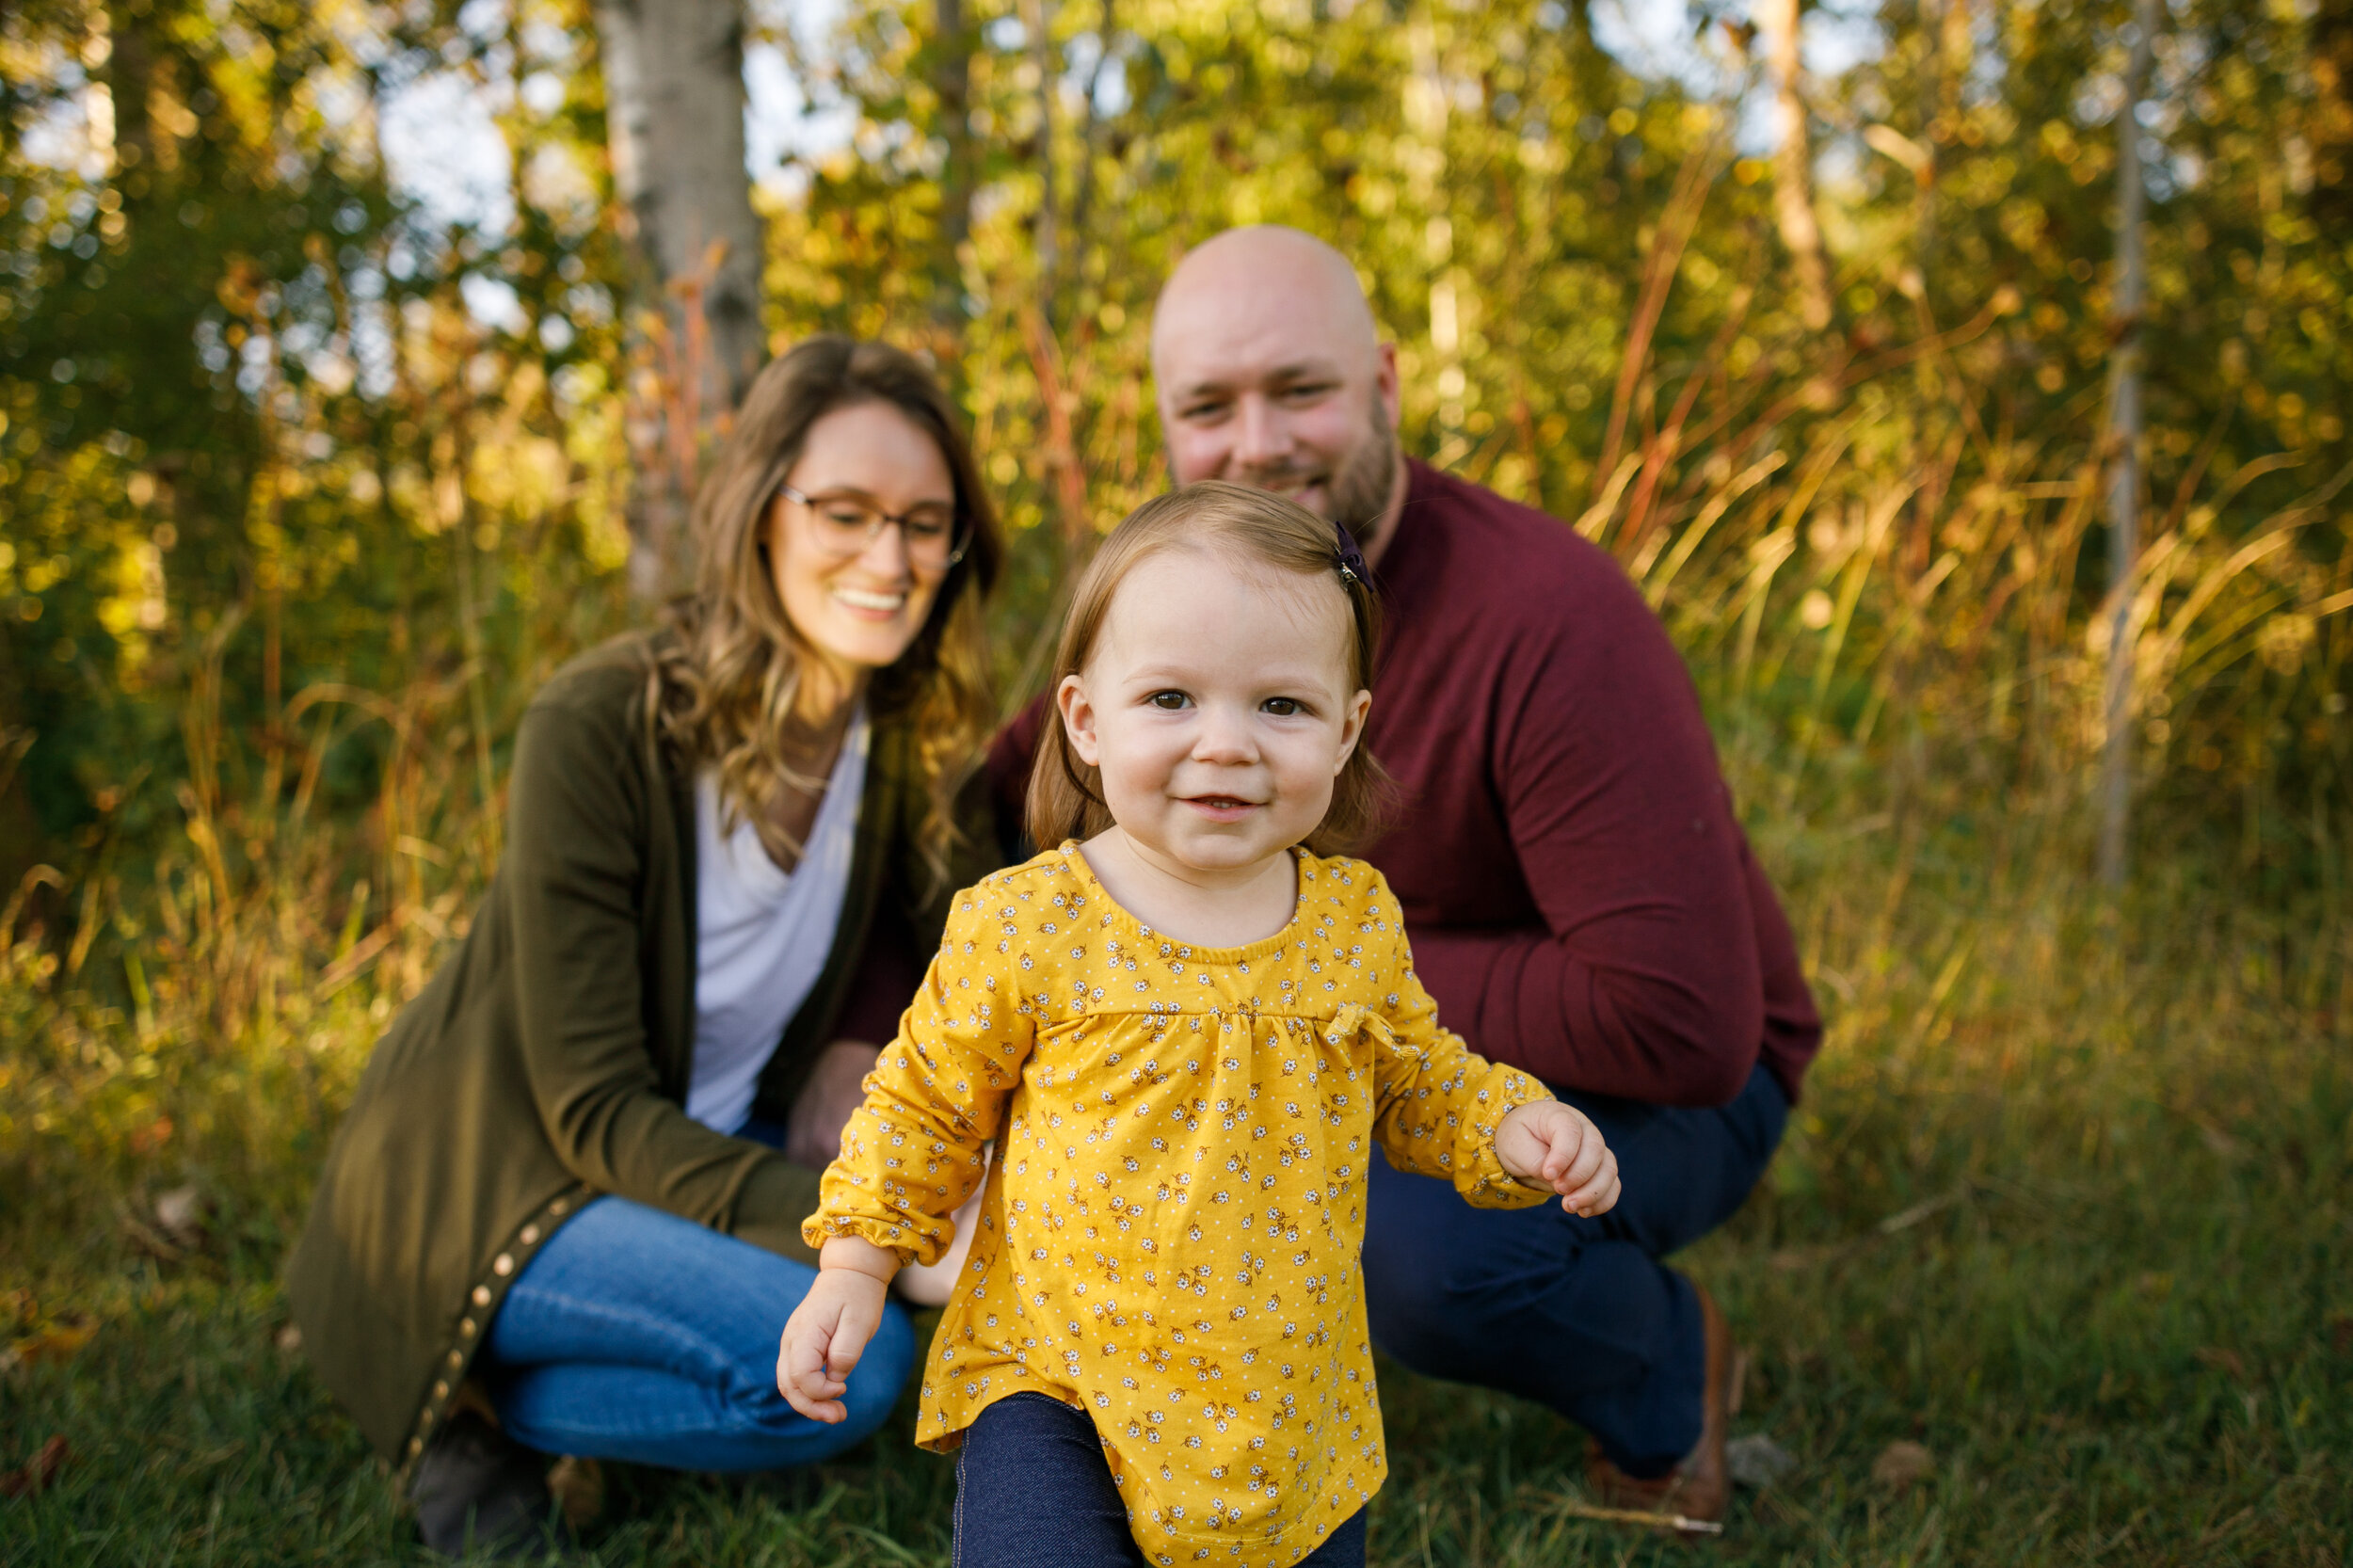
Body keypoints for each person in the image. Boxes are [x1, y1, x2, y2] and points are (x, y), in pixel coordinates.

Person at [988, 227, 1823, 1528]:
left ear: (1383, 381)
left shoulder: (1546, 616)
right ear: (1166, 428)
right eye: (1209, 407)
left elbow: (1681, 1020)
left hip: (1677, 1078)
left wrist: (1300, 962)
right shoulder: (1181, 597)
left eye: (1300, 390)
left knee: (1411, 1247)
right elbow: (998, 803)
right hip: (1385, 1028)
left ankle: (1667, 1374)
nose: (1256, 442)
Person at [776, 483, 1625, 1568]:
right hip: (1060, 1372)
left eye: (1280, 706)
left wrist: (1509, 1123)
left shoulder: (1350, 923)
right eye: (1171, 698)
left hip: (1285, 1397)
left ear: (1347, 727)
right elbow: (923, 1103)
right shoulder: (1029, 922)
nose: (1224, 744)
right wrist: (855, 1263)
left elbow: (1414, 1079)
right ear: (1086, 720)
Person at [286, 336, 1005, 1558]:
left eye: (924, 523)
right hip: (501, 1176)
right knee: (865, 1359)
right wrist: (872, 1229)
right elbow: (591, 1105)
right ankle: (459, 1391)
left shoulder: (898, 748)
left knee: (839, 1342)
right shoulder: (600, 719)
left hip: (695, 1145)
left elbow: (990, 956)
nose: (888, 559)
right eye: (845, 512)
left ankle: (535, 1380)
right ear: (760, 515)